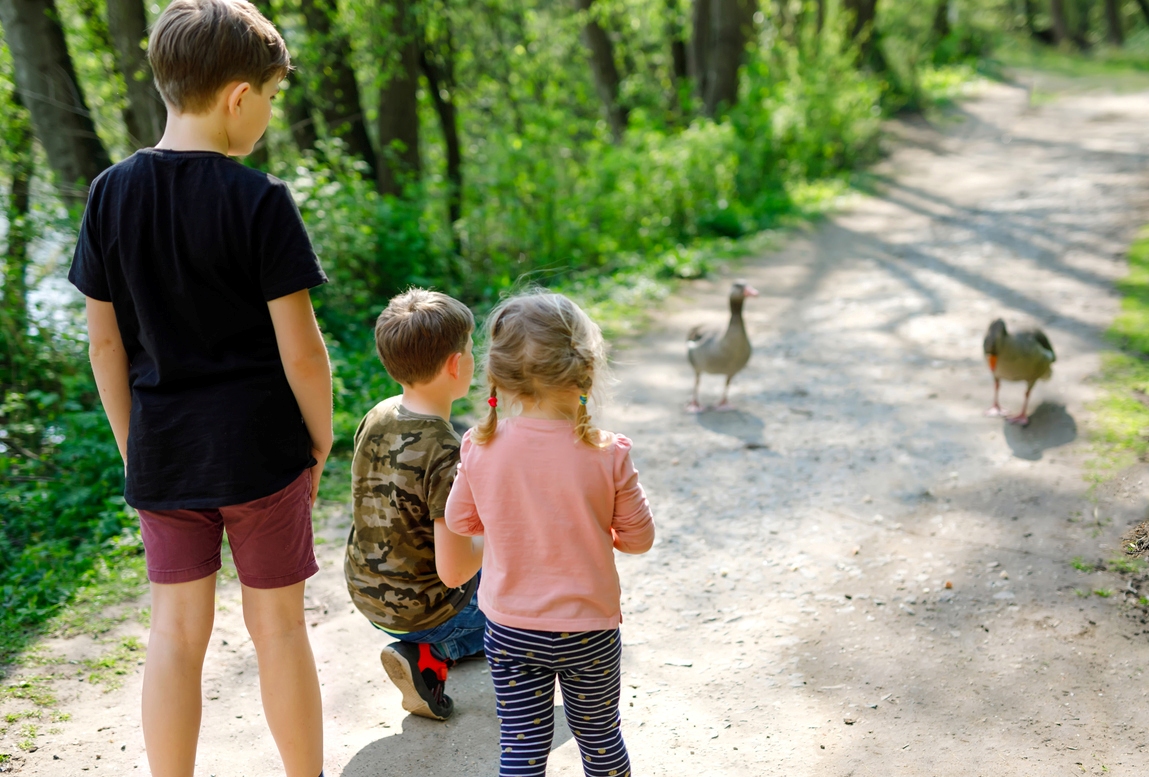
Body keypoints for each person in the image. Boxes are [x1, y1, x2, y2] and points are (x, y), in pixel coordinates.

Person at [68, 2, 329, 775]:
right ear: (238, 96)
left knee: (175, 631)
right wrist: (316, 441)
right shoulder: (259, 199)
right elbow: (304, 353)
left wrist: (132, 445)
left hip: (164, 453)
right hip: (261, 450)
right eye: (274, 100)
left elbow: (104, 341)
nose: (269, 118)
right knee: (279, 627)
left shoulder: (109, 194)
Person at [441, 291, 656, 777]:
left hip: (511, 628)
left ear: (499, 378)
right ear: (584, 369)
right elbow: (639, 539)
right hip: (589, 630)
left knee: (522, 749)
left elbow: (460, 522)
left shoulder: (479, 446)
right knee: (600, 738)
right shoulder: (609, 453)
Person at [346, 289, 485, 721]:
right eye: (472, 349)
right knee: (521, 614)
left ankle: (423, 641)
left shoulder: (379, 413)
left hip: (365, 594)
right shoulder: (446, 452)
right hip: (424, 613)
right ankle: (433, 652)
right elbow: (455, 571)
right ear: (455, 364)